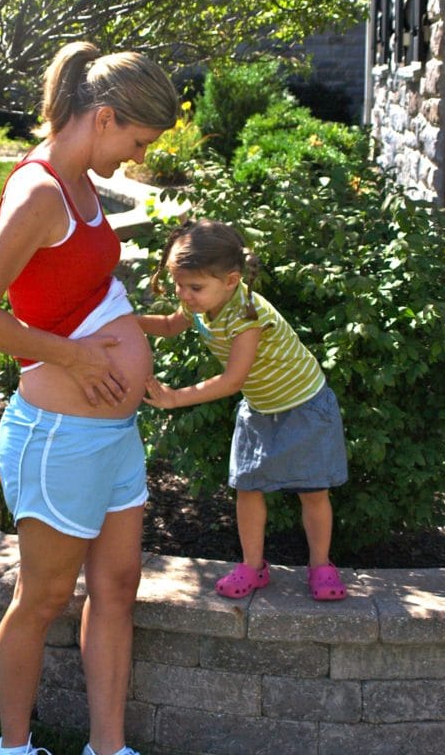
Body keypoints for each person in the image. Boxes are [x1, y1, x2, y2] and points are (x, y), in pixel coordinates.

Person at [0, 41, 178, 755]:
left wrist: (136, 330)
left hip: (110, 439)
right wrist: (81, 356)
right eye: (136, 142)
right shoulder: (41, 191)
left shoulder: (79, 184)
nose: (136, 159)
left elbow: (70, 296)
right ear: (105, 117)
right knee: (43, 598)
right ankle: (13, 749)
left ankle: (107, 747)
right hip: (58, 436)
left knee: (116, 589)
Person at [137, 219, 348, 602]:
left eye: (194, 287)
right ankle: (253, 566)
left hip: (304, 405)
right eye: (179, 286)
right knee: (248, 489)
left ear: (231, 280)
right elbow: (168, 326)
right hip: (262, 408)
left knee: (313, 492)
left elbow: (232, 381)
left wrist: (174, 397)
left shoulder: (248, 315)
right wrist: (122, 321)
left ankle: (321, 565)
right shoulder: (202, 302)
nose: (184, 295)